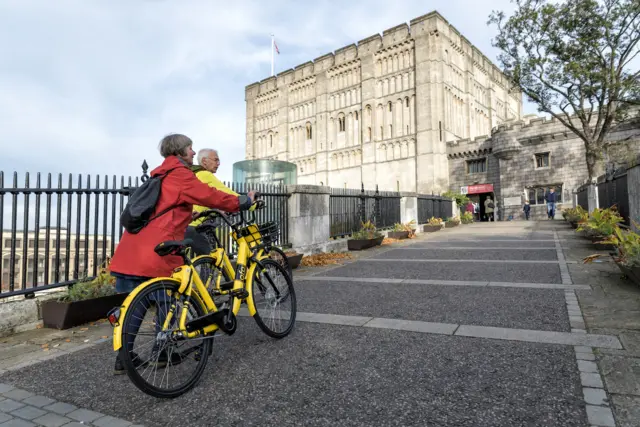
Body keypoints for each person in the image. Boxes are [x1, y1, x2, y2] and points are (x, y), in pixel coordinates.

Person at [109, 134, 256, 375]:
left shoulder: (159, 175)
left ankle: (124, 357)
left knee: (135, 305)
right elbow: (212, 196)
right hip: (157, 251)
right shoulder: (180, 174)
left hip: (130, 250)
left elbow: (166, 208)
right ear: (180, 151)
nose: (193, 152)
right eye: (190, 148)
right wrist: (242, 202)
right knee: (169, 300)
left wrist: (190, 215)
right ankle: (162, 351)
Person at [185, 148, 256, 256]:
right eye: (215, 160)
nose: (218, 163)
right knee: (212, 261)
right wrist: (250, 202)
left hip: (184, 226)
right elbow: (227, 194)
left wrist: (219, 210)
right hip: (194, 226)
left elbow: (206, 200)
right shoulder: (205, 175)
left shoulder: (195, 175)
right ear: (204, 161)